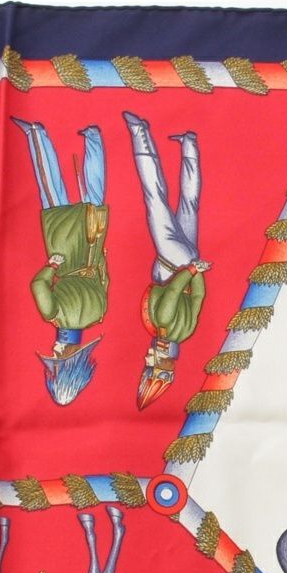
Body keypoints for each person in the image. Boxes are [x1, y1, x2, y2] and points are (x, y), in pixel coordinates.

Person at [12, 119, 109, 405]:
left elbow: (105, 278)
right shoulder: (54, 315)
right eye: (57, 358)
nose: (53, 352)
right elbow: (38, 284)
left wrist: (97, 254)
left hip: (93, 247)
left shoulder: (98, 314)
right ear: (69, 356)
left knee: (94, 195)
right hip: (64, 252)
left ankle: (93, 137)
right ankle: (36, 133)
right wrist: (52, 266)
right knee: (51, 188)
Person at [122, 112, 209, 409]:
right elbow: (171, 292)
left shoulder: (186, 332)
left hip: (190, 261)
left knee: (190, 204)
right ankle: (140, 132)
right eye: (151, 362)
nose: (146, 357)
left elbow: (198, 296)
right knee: (154, 198)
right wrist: (189, 270)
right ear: (162, 358)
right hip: (174, 260)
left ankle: (189, 143)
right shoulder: (163, 325)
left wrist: (197, 271)